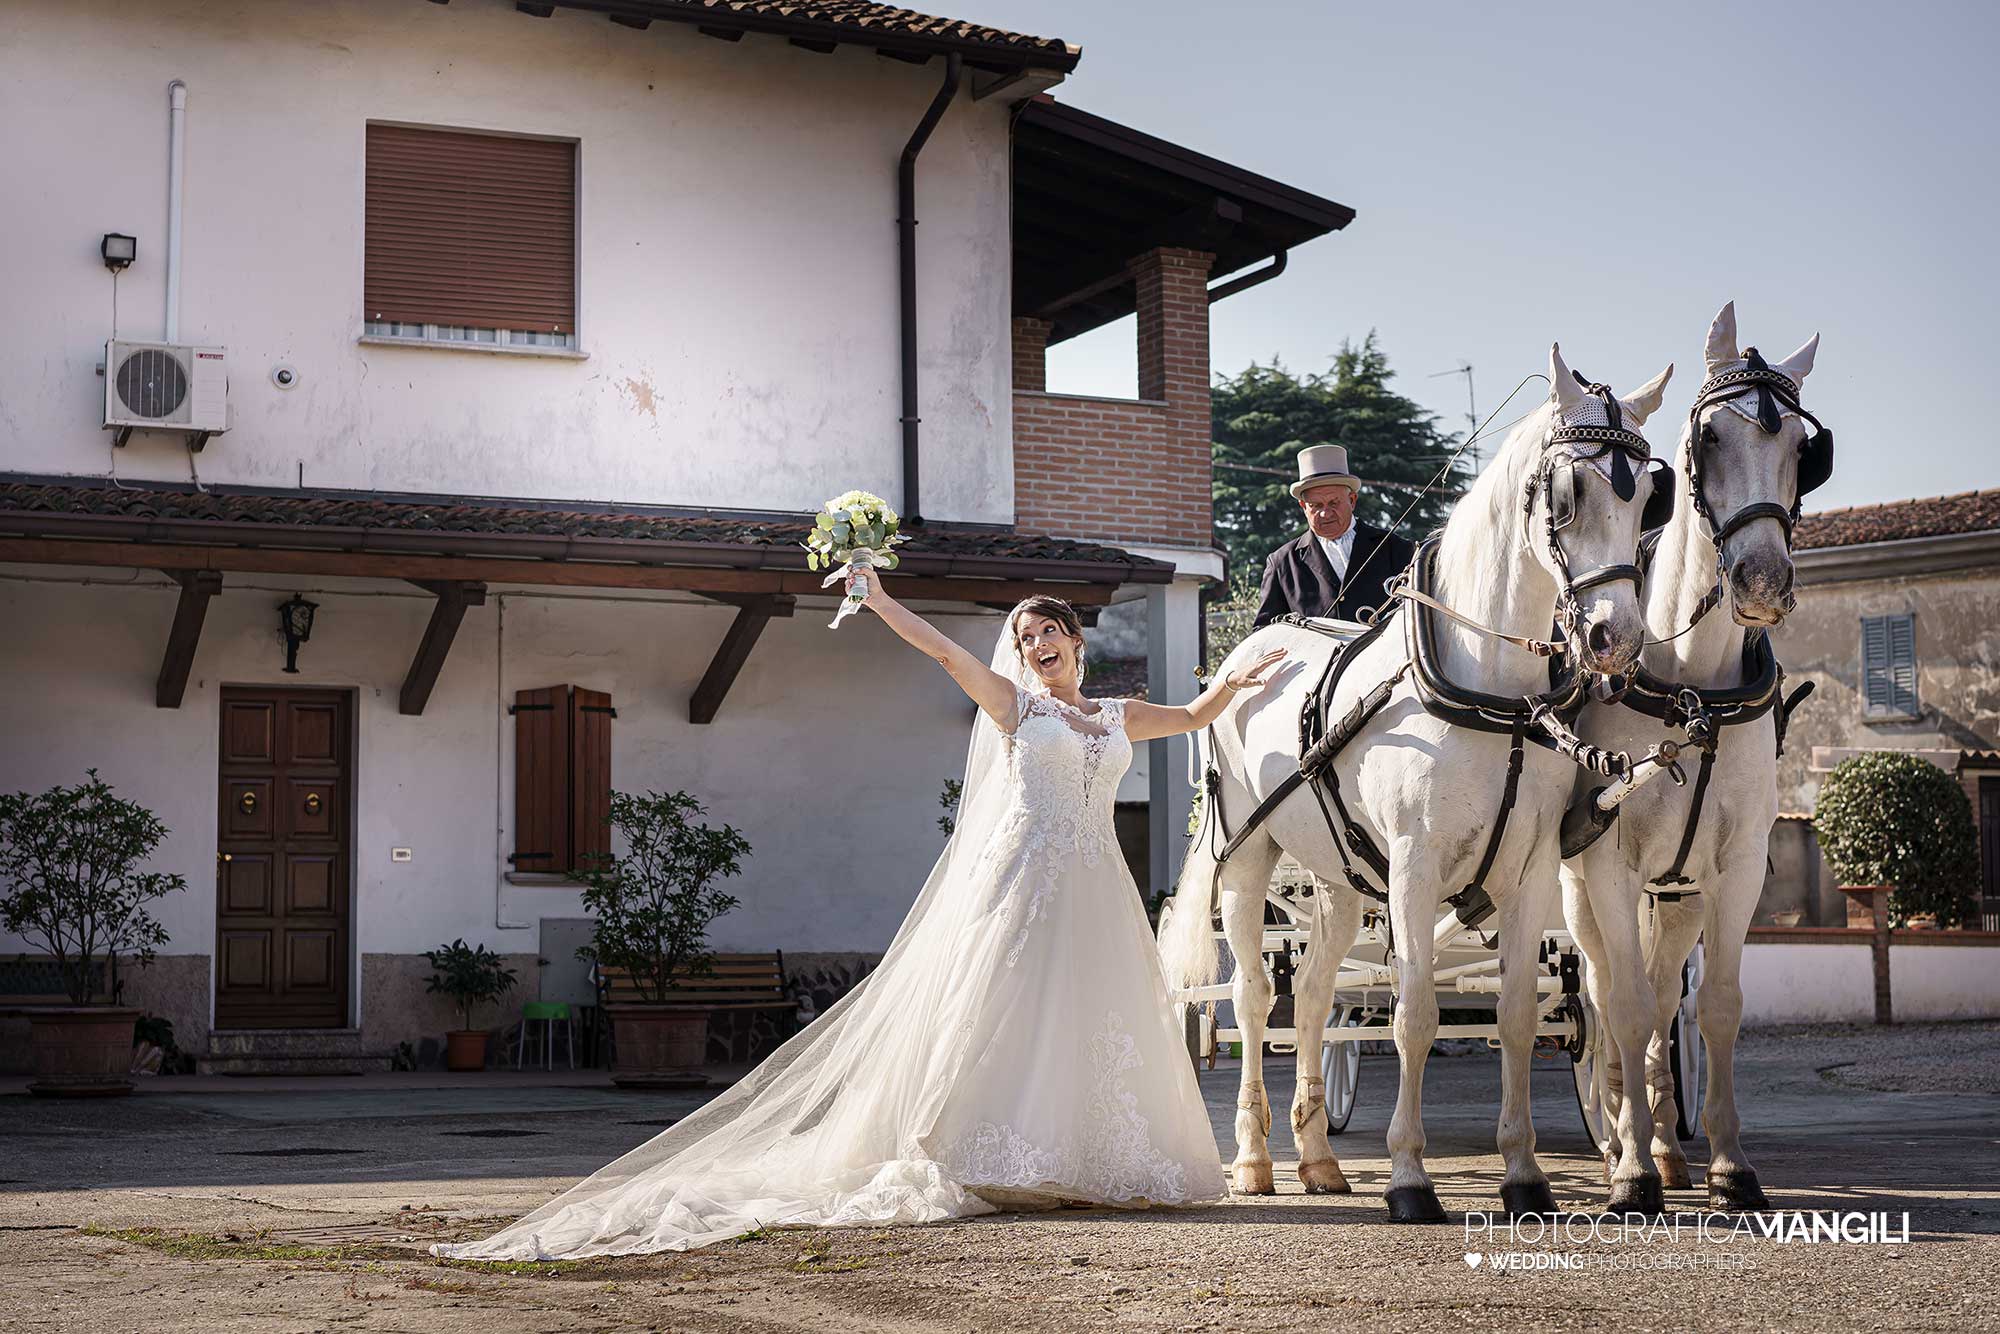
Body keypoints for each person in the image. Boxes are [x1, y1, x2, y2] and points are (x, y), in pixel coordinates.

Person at [435, 585, 1286, 1260]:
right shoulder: (1013, 710)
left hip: (1099, 884)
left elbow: (1194, 717)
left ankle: (1093, 1160)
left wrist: (1237, 683)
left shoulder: (1114, 715)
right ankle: (989, 1154)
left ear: (1076, 641)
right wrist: (878, 599)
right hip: (1026, 882)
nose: (1037, 646)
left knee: (1096, 1014)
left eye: (1048, 633)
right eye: (1026, 638)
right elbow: (946, 649)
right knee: (1009, 1010)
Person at [1252, 444, 1417, 627]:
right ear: (1303, 507)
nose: (1325, 513)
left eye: (1333, 503)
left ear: (1352, 500)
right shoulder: (1282, 563)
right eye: (1315, 506)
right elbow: (1264, 630)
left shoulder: (1397, 549)